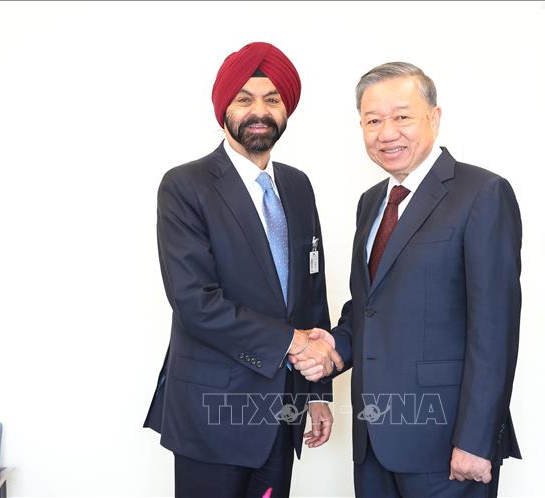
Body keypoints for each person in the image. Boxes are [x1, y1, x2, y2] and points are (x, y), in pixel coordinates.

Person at [291, 62, 522, 498]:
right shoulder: (371, 203)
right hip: (374, 439)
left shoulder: (482, 193)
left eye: (402, 116)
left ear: (434, 117)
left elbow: (495, 330)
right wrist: (334, 349)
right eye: (372, 121)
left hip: (447, 444)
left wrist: (475, 442)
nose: (387, 133)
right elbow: (369, 308)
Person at [143, 41, 343, 498]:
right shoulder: (185, 186)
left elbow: (312, 294)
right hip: (211, 412)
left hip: (282, 410)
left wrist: (318, 391)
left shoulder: (298, 185)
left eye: (272, 99)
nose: (259, 111)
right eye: (244, 99)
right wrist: (294, 343)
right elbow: (195, 302)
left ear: (286, 109)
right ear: (224, 109)